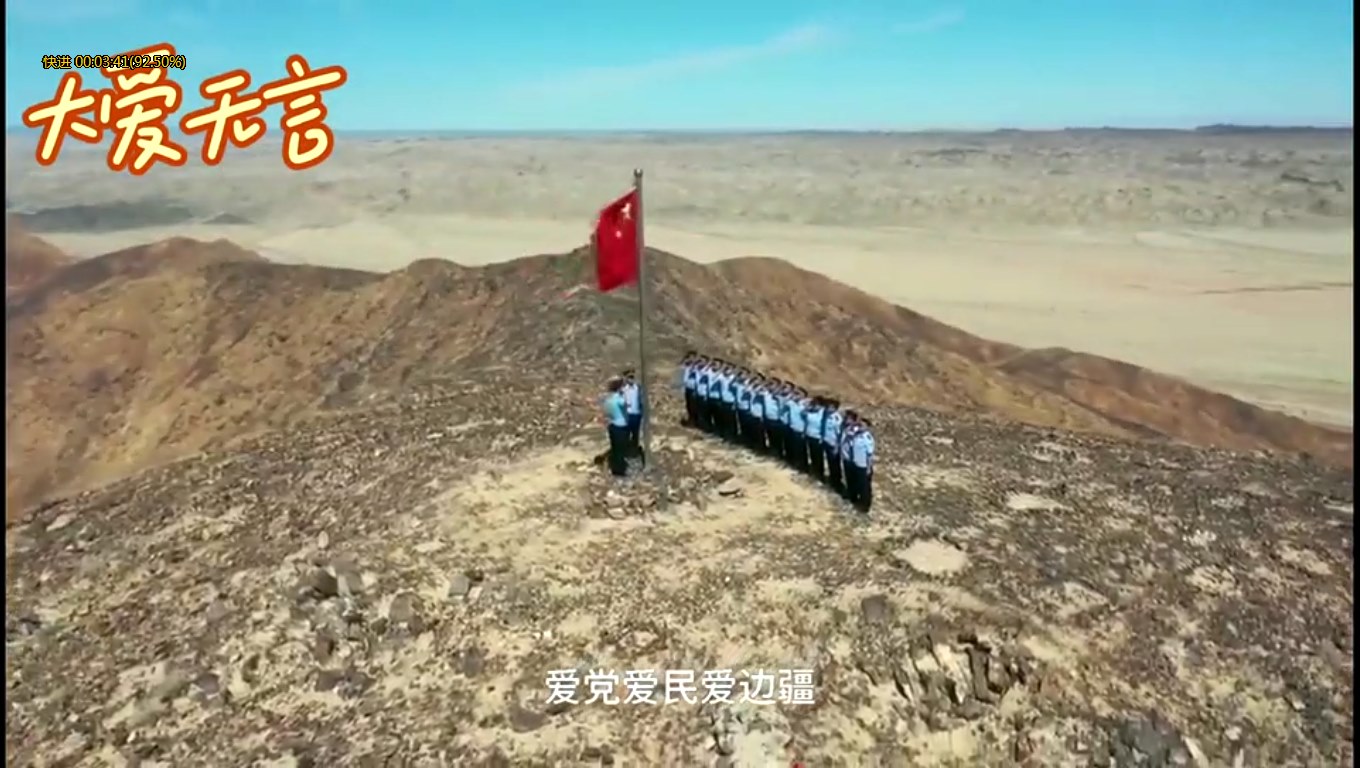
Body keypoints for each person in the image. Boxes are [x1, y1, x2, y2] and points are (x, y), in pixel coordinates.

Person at [601, 378, 630, 477]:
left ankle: (615, 468)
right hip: (621, 426)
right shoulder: (620, 400)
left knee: (615, 448)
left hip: (612, 425)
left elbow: (606, 412)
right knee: (621, 449)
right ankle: (620, 470)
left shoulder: (608, 400)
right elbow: (626, 408)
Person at [850, 417, 876, 513]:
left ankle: (865, 506)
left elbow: (869, 455)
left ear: (867, 427)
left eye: (862, 425)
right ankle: (859, 501)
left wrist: (868, 468)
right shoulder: (857, 435)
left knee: (865, 488)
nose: (860, 426)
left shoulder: (867, 438)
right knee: (859, 485)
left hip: (864, 466)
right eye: (859, 424)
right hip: (857, 464)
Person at [821, 399, 844, 493]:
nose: (827, 408)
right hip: (826, 442)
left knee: (835, 465)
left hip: (833, 445)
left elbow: (839, 435)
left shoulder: (837, 419)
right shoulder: (826, 415)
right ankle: (832, 480)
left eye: (830, 407)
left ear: (835, 408)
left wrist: (837, 447)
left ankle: (837, 483)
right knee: (830, 463)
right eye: (827, 406)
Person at [621, 369, 643, 460]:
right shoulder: (624, 389)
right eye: (629, 377)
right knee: (626, 434)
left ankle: (635, 452)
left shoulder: (638, 388)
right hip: (627, 415)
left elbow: (642, 401)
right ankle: (626, 452)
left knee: (635, 433)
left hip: (636, 414)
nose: (631, 379)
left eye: (632, 377)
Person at [785, 388, 808, 471]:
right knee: (794, 447)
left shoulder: (805, 405)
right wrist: (791, 395)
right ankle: (796, 463)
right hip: (792, 427)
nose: (796, 395)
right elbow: (785, 402)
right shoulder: (792, 403)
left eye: (798, 394)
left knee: (801, 449)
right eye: (796, 393)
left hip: (800, 430)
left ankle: (804, 466)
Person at [839, 410, 860, 503]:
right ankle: (850, 492)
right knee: (848, 476)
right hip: (845, 456)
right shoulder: (844, 427)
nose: (845, 419)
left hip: (852, 457)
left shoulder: (855, 430)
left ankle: (854, 496)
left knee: (853, 477)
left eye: (848, 418)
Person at [804, 396, 825, 481]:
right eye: (814, 404)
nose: (815, 406)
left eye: (816, 404)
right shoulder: (810, 411)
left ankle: (820, 474)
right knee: (812, 454)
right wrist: (808, 407)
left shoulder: (823, 413)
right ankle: (815, 471)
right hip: (810, 435)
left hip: (818, 437)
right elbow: (803, 413)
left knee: (818, 457)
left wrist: (822, 436)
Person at [719, 362, 739, 442]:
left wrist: (735, 402)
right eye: (726, 369)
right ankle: (727, 435)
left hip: (731, 401)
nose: (727, 370)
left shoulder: (734, 379)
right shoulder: (722, 377)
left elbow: (736, 392)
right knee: (725, 419)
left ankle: (733, 436)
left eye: (729, 369)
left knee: (731, 420)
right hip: (723, 400)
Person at [763, 380, 783, 458]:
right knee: (769, 435)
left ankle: (779, 453)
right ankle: (771, 451)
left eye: (773, 385)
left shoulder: (780, 397)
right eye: (770, 384)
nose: (771, 386)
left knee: (777, 438)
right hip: (767, 418)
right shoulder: (766, 394)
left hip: (776, 419)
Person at [748, 374, 767, 453]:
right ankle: (755, 446)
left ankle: (762, 448)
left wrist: (761, 386)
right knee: (753, 431)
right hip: (752, 412)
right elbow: (746, 390)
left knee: (760, 433)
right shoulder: (752, 388)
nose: (756, 381)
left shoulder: (764, 391)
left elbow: (762, 395)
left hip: (759, 414)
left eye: (758, 379)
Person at [735, 369, 753, 448]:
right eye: (741, 374)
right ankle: (744, 440)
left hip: (747, 408)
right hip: (740, 406)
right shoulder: (738, 384)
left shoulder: (750, 385)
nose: (742, 376)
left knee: (749, 426)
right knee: (742, 424)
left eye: (744, 374)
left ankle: (750, 442)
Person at [681, 351, 699, 427]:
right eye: (689, 357)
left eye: (692, 357)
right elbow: (680, 366)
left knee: (694, 406)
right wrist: (685, 359)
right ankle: (691, 420)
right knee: (689, 405)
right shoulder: (686, 366)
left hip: (694, 388)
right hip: (688, 388)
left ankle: (695, 422)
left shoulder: (697, 367)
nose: (690, 359)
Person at [695, 357, 713, 433]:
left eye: (703, 361)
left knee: (706, 412)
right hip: (698, 393)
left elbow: (709, 384)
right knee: (700, 411)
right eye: (700, 361)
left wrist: (707, 394)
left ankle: (708, 428)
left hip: (705, 394)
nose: (700, 363)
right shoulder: (697, 369)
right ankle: (702, 426)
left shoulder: (708, 372)